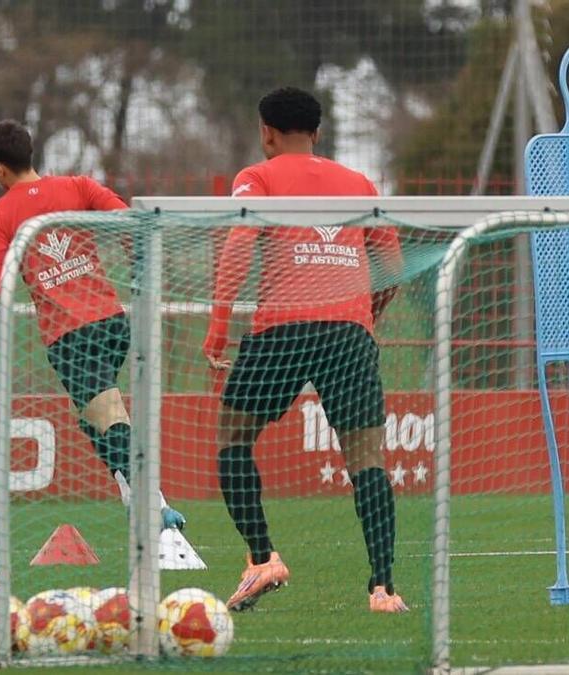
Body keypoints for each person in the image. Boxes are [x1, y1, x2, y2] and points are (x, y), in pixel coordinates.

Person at [202, 87, 406, 613]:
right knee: (367, 459)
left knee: (232, 437)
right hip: (349, 334)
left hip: (282, 331)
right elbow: (393, 268)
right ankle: (383, 589)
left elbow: (239, 245)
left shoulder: (258, 176)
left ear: (266, 132)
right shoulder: (360, 183)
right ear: (317, 133)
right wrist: (367, 318)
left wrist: (219, 325)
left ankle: (262, 558)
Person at [0, 119, 186, 531]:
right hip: (112, 321)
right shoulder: (79, 187)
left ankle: (155, 505)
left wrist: (28, 263)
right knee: (95, 415)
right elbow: (132, 226)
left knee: (106, 414)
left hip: (68, 335)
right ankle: (130, 494)